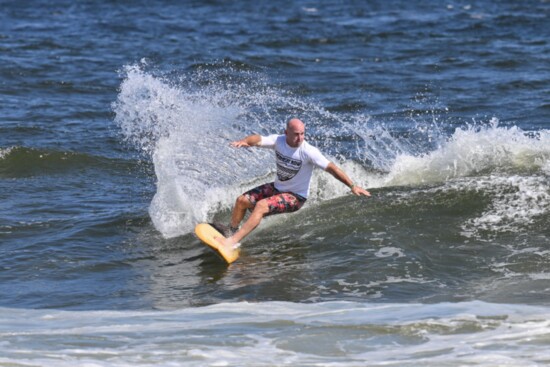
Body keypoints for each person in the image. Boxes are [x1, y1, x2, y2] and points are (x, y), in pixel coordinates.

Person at [215, 118, 371, 251]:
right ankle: (231, 231)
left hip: (296, 197)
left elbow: (332, 168)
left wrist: (352, 186)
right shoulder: (279, 141)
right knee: (241, 201)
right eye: (296, 134)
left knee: (261, 206)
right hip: (277, 188)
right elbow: (258, 139)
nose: (300, 138)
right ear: (286, 133)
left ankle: (233, 242)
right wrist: (245, 141)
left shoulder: (309, 151)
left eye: (302, 134)